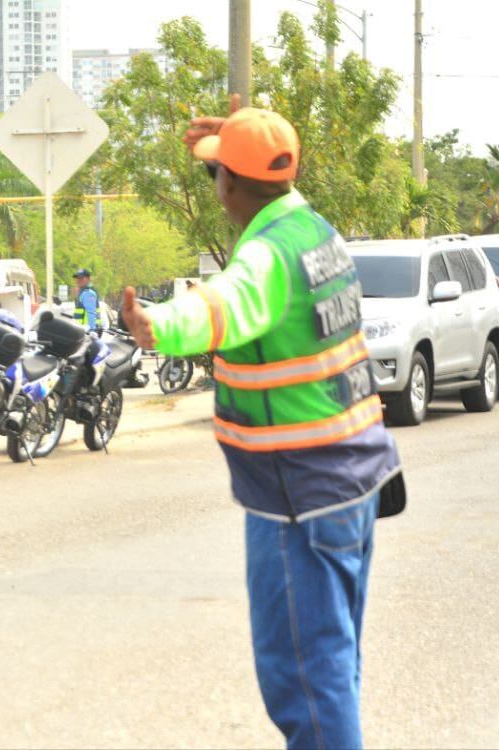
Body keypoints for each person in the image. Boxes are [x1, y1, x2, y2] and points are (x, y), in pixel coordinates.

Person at [119, 102, 405, 749]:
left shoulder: (266, 259)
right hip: (351, 480)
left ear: (229, 184)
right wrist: (235, 139)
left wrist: (156, 324)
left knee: (305, 682)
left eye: (215, 173)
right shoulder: (314, 232)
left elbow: (221, 305)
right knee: (332, 670)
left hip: (298, 497)